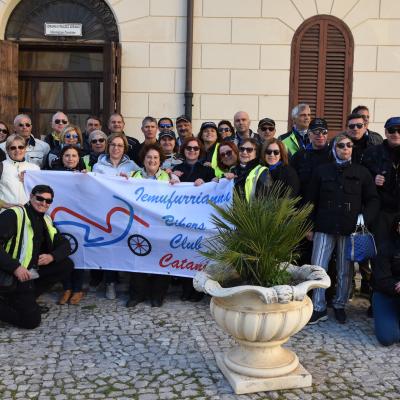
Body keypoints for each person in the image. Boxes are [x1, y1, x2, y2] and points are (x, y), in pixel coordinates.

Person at [307, 134, 379, 325]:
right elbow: (310, 201)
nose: (345, 148)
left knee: (345, 270)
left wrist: (364, 218)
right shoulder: (321, 171)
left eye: (349, 145)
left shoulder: (362, 172)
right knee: (318, 268)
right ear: (334, 148)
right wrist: (308, 227)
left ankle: (339, 305)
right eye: (341, 145)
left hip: (350, 229)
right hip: (324, 226)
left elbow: (373, 199)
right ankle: (318, 307)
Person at [0, 185, 73, 329]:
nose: (43, 203)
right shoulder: (14, 214)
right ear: (31, 197)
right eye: (40, 198)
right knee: (31, 322)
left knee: (65, 264)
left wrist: (52, 256)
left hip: (28, 273)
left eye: (48, 201)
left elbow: (65, 244)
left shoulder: (46, 220)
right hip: (10, 272)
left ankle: (23, 299)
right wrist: (15, 267)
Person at [128, 143, 178, 308]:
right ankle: (137, 294)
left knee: (161, 260)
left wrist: (177, 181)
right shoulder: (132, 175)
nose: (152, 160)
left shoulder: (169, 178)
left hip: (161, 227)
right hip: (138, 225)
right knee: (137, 260)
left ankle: (158, 295)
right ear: (143, 159)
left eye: (156, 157)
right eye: (149, 157)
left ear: (161, 160)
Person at [92, 133, 139, 299]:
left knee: (127, 245)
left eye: (119, 145)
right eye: (113, 144)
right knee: (109, 247)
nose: (116, 148)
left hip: (125, 213)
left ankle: (129, 281)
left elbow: (145, 181)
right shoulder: (98, 166)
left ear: (124, 148)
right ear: (108, 146)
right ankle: (110, 283)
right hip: (105, 212)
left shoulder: (132, 166)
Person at [290, 118, 331, 265]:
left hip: (327, 215)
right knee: (303, 258)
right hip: (303, 215)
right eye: (316, 132)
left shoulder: (334, 156)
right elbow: (293, 189)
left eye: (323, 132)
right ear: (309, 134)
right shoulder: (299, 157)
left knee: (327, 261)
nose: (320, 135)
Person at [52, 146, 86, 305]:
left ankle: (78, 289)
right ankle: (66, 288)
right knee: (62, 253)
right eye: (67, 155)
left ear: (79, 158)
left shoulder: (86, 175)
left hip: (80, 221)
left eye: (74, 155)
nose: (70, 158)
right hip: (60, 219)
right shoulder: (53, 174)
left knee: (78, 254)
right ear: (62, 157)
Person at [371, 214, 400, 346]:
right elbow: (382, 280)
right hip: (385, 294)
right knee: (388, 338)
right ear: (397, 227)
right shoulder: (385, 247)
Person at [0, 134, 40, 208]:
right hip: (6, 213)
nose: (17, 150)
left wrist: (29, 181)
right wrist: (3, 205)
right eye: (13, 148)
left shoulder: (35, 168)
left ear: (25, 149)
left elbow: (41, 192)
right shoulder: (1, 166)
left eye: (21, 147)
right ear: (7, 150)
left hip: (29, 214)